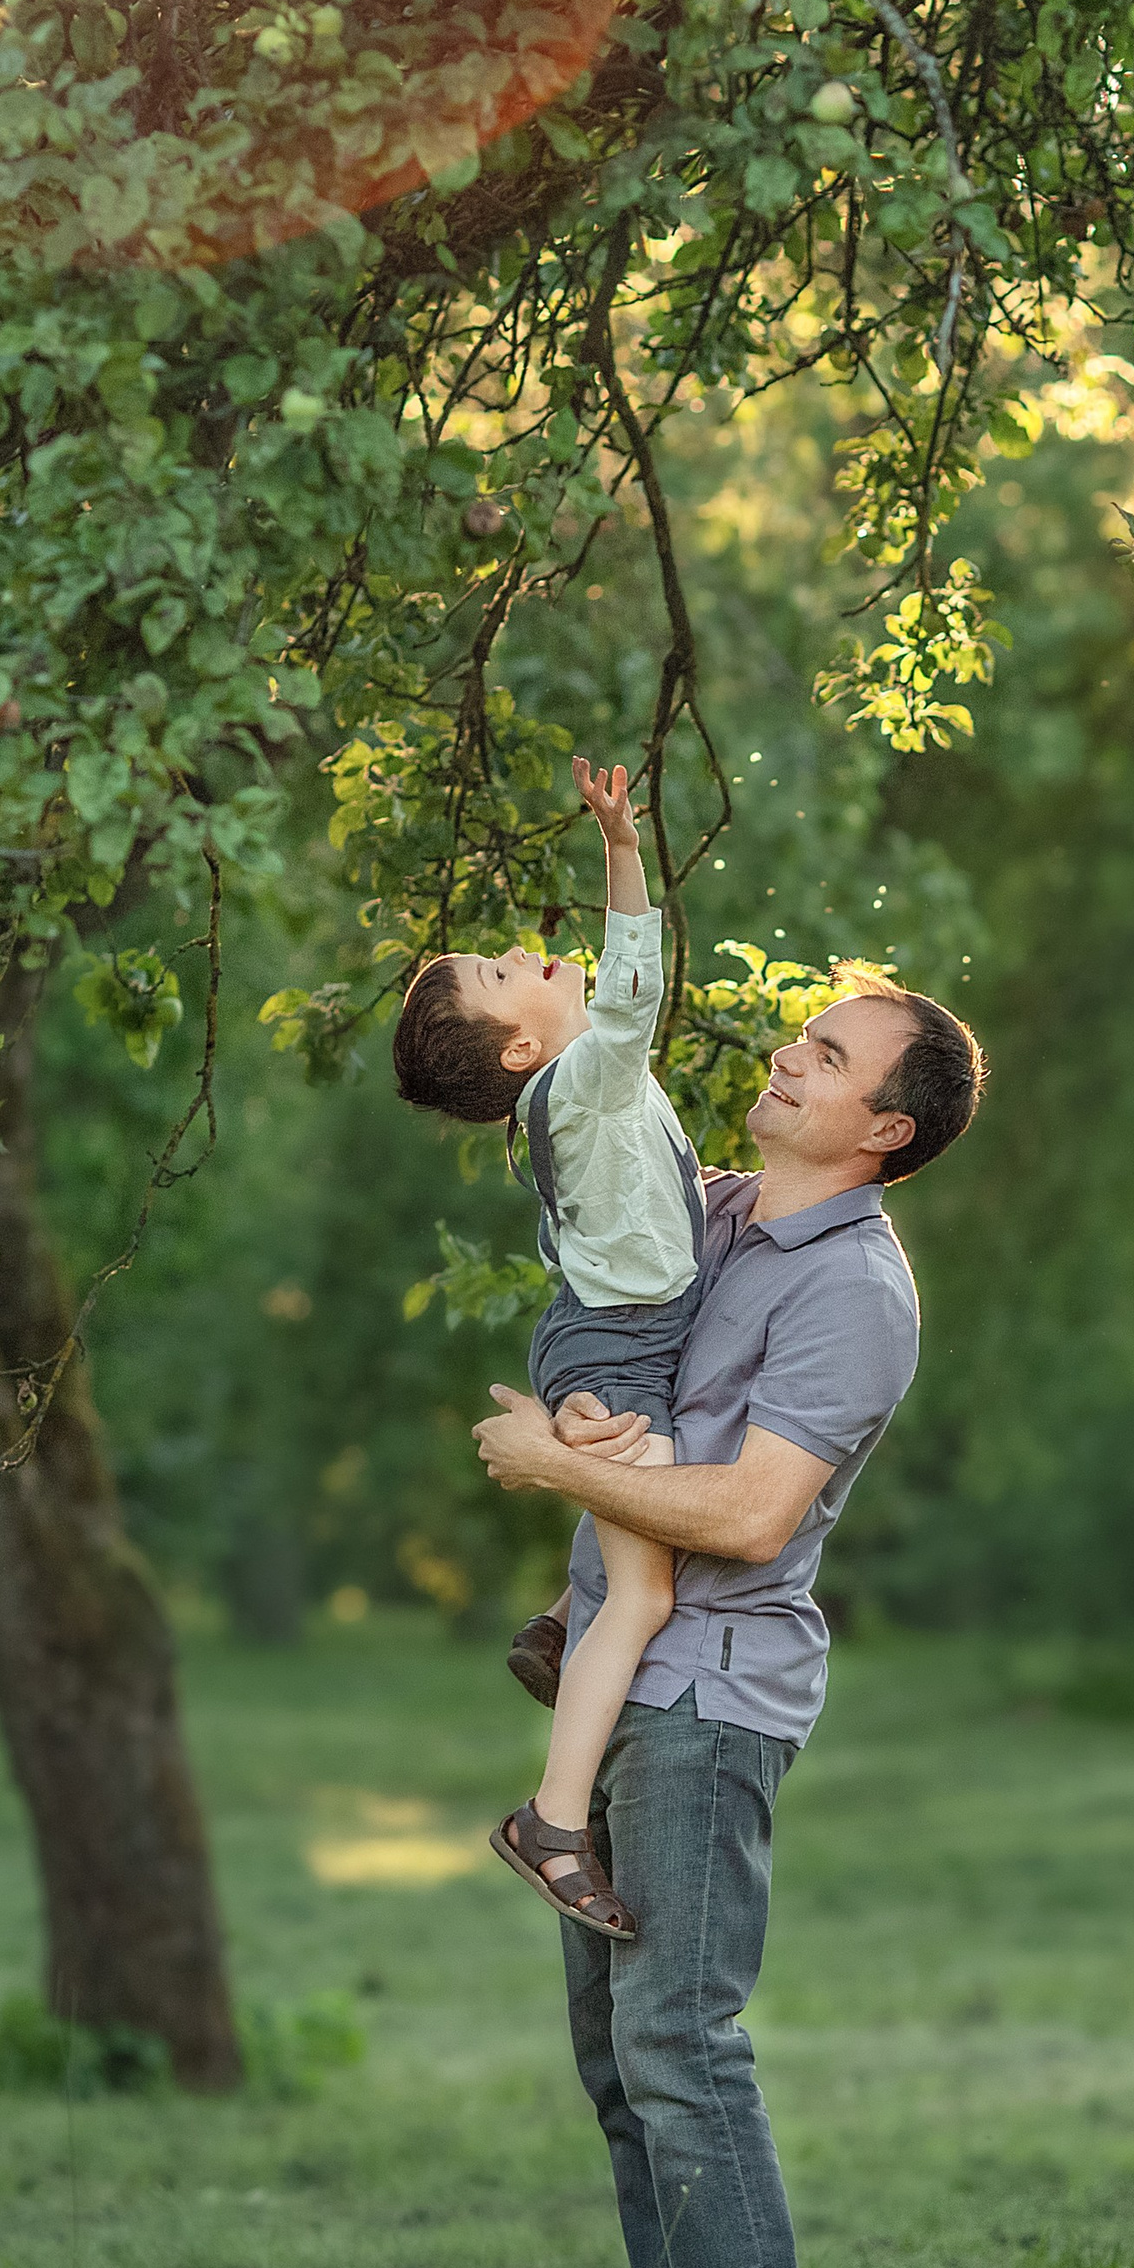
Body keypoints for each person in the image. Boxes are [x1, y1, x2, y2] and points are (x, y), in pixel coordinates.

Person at [470, 977, 983, 2268]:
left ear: (883, 1129)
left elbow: (755, 1516)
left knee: (679, 2036)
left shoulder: (855, 1290)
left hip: (708, 1696)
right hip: (616, 1668)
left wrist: (550, 1460)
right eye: (801, 1036)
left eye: (828, 1057)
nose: (789, 1058)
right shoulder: (708, 1211)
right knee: (621, 2058)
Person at [392, 755, 705, 1942]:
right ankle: (552, 1823)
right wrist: (620, 848)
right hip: (619, 1351)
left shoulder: (580, 1092)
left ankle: (555, 1626)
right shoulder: (581, 1079)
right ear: (521, 1049)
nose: (525, 952)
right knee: (648, 1591)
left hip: (618, 1340)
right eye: (500, 972)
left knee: (638, 1576)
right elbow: (630, 993)